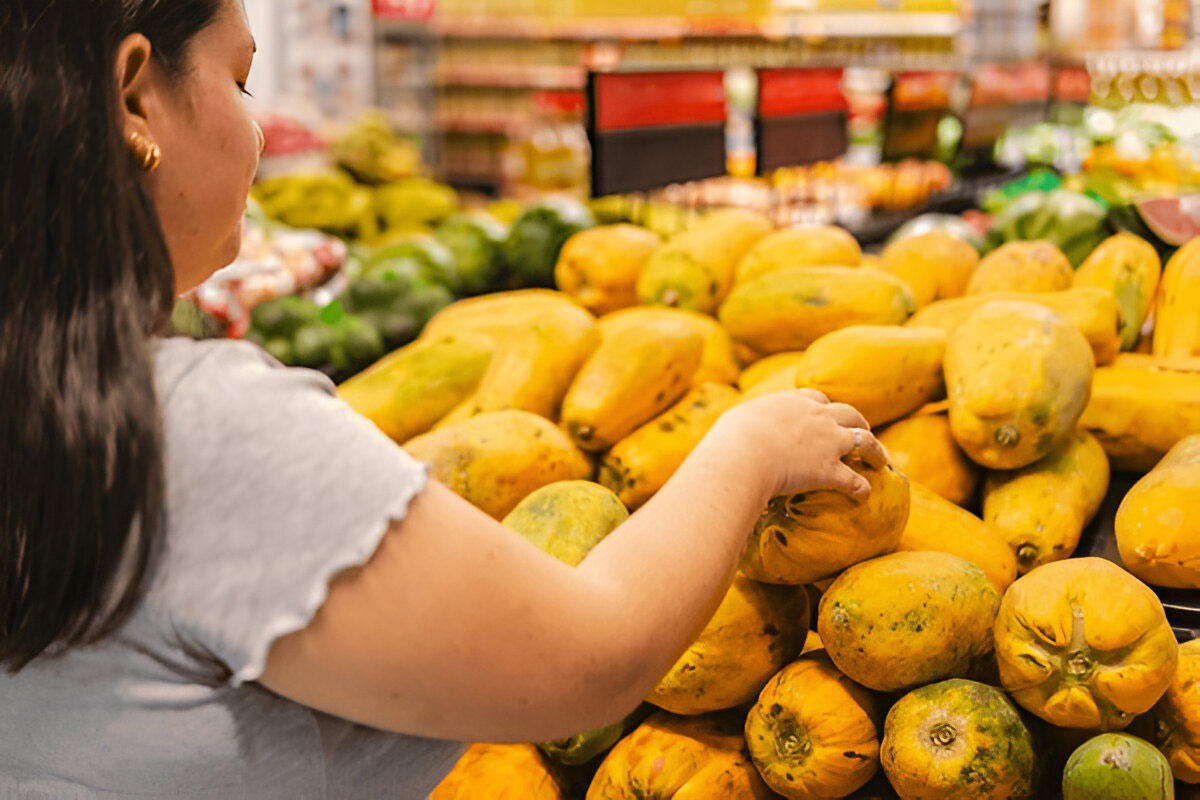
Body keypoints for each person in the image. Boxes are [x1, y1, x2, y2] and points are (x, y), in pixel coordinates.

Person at [0, 1, 884, 797]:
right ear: (133, 99)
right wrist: (749, 447)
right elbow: (591, 661)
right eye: (238, 79)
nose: (258, 128)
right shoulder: (198, 432)